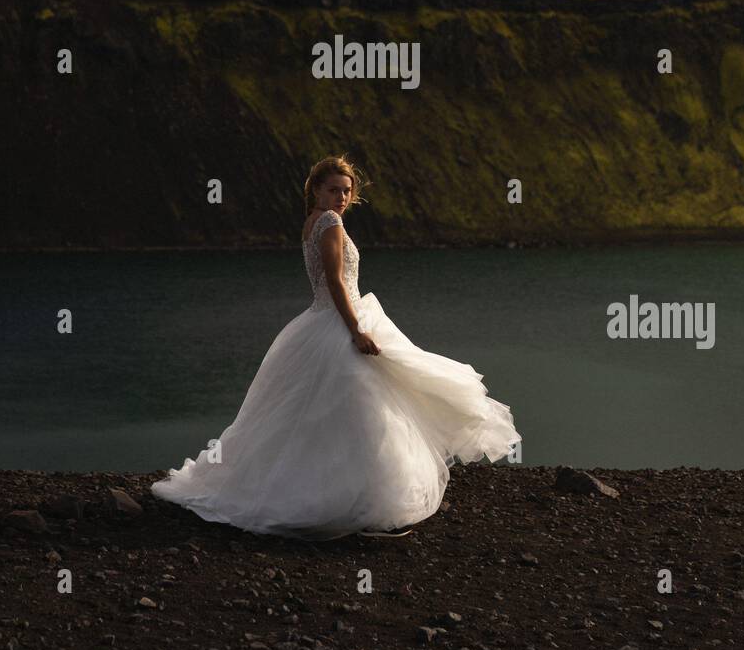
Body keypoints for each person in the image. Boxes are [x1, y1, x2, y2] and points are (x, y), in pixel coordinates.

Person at [150, 154, 520, 539]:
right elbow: (335, 281)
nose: (342, 197)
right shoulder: (329, 222)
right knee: (362, 411)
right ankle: (358, 505)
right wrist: (356, 329)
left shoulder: (312, 222)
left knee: (323, 414)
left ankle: (334, 496)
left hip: (318, 321)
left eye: (346, 190)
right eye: (334, 190)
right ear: (316, 190)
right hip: (339, 320)